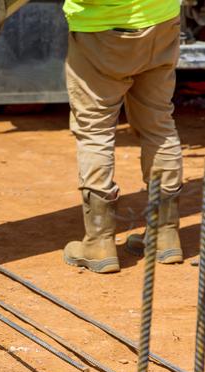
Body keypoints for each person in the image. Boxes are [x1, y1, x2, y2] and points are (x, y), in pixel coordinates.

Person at [62, 0, 183, 273]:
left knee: (95, 129)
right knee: (159, 124)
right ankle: (165, 235)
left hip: (102, 27)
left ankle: (99, 242)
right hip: (161, 20)